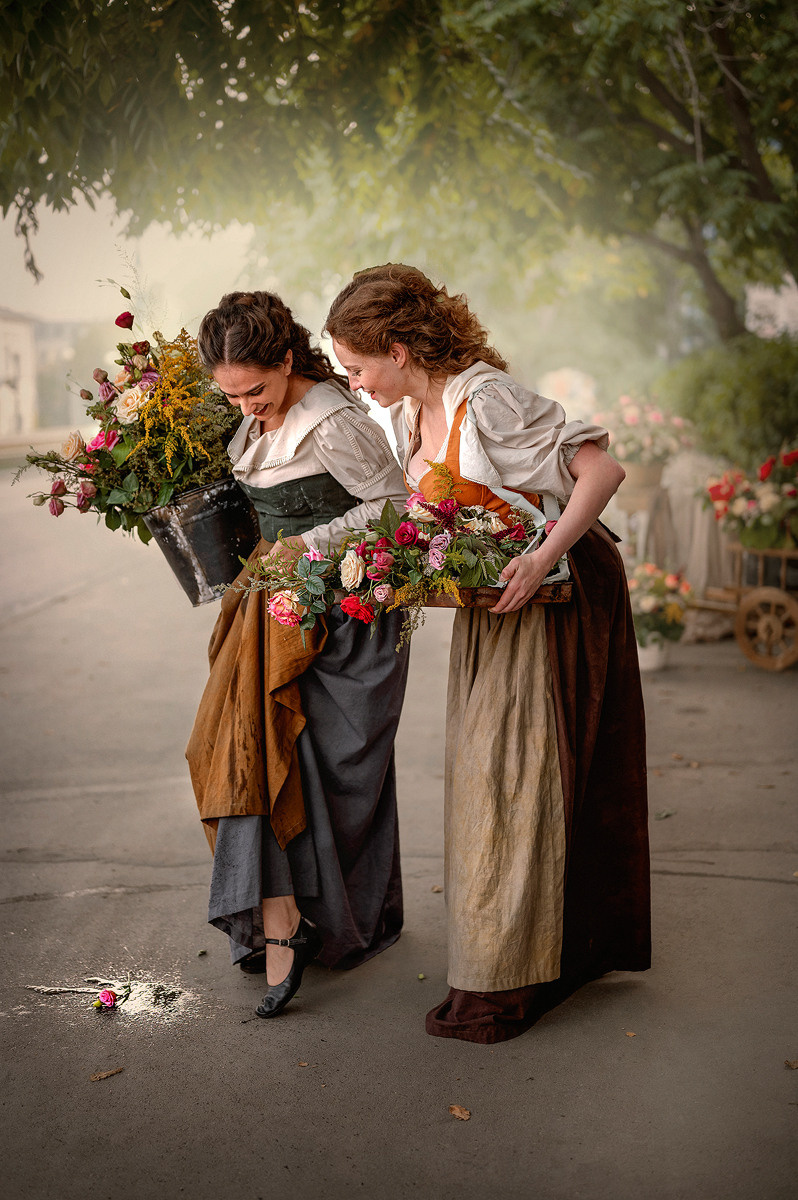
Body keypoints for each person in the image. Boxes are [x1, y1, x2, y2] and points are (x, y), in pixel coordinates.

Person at [324, 264, 650, 1044]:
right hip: (497, 606)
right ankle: (510, 956)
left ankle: (513, 974)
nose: (356, 384)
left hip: (559, 595)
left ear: (398, 350)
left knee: (521, 778)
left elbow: (602, 470)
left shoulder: (489, 400)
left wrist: (539, 557)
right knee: (485, 779)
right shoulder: (413, 415)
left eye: (358, 367)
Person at [186, 290, 410, 1019]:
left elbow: (395, 507)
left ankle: (299, 922)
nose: (246, 405)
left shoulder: (337, 420)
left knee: (302, 768)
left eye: (256, 389)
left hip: (341, 619)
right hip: (271, 608)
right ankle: (281, 918)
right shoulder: (245, 411)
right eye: (231, 393)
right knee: (240, 750)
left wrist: (302, 550)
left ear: (287, 358)